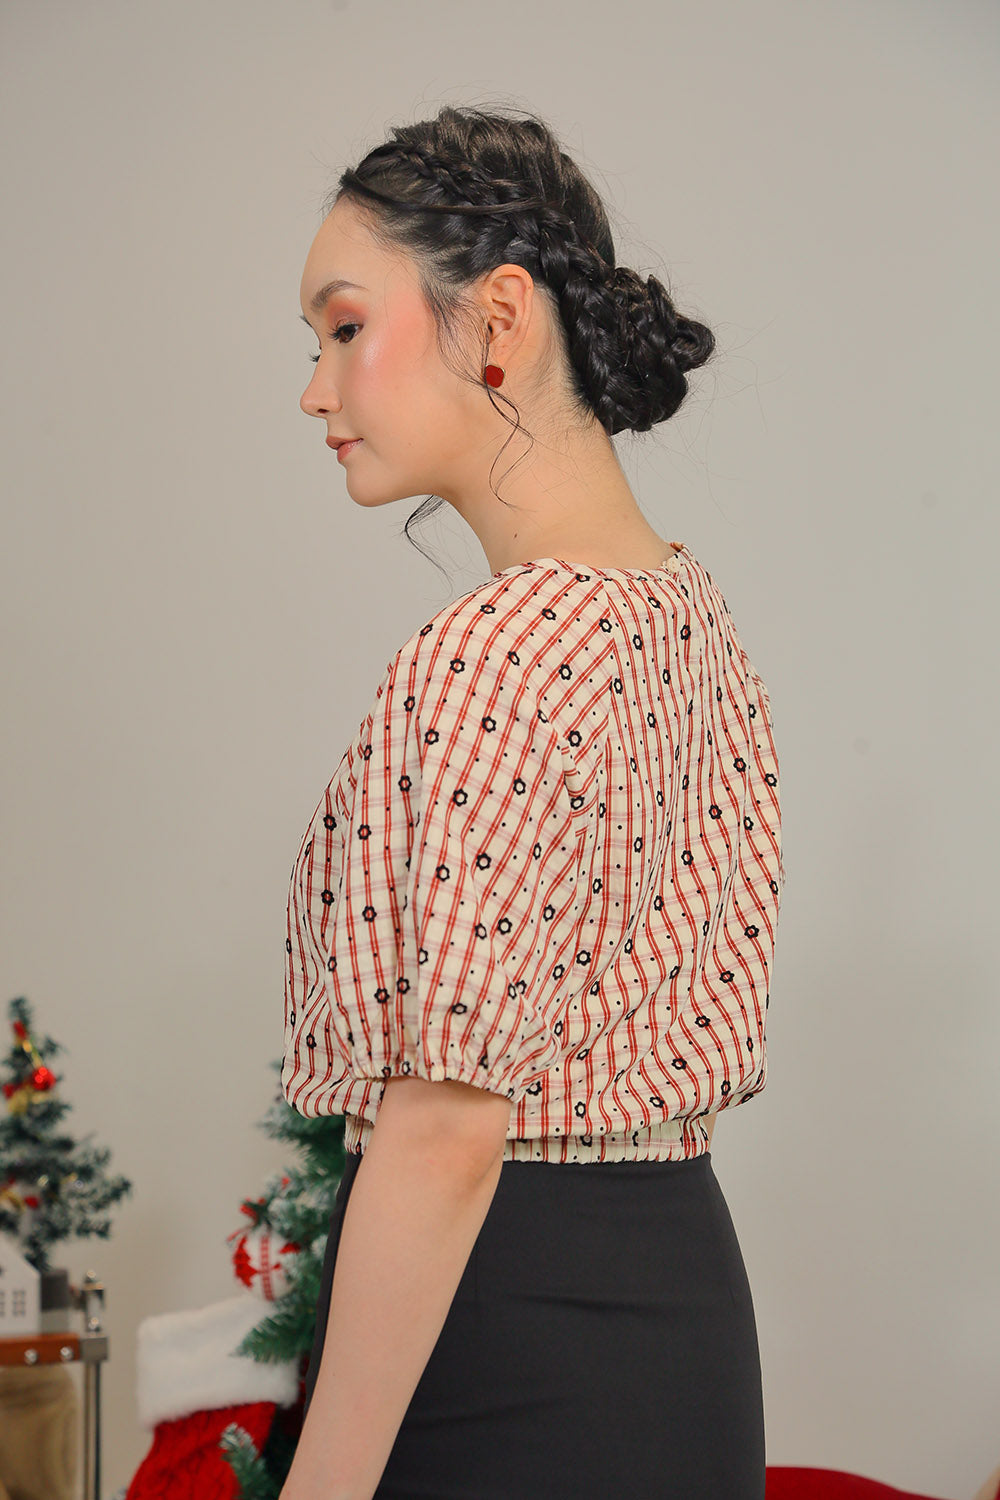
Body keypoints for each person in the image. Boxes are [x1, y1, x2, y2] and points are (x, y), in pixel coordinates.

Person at [278, 101, 784, 1500]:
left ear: (496, 319)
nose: (316, 390)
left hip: (509, 1340)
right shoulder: (690, 618)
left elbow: (446, 1131)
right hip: (681, 1322)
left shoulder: (494, 649)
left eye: (343, 328)